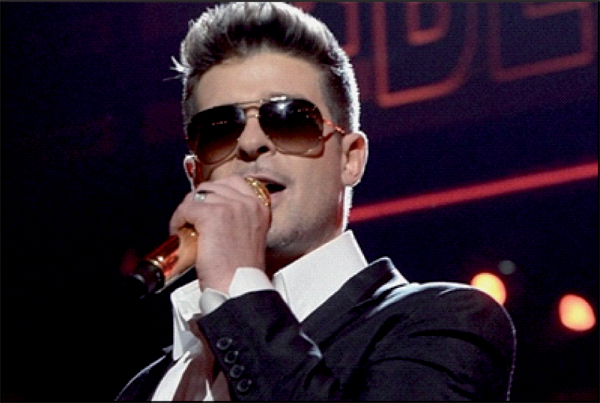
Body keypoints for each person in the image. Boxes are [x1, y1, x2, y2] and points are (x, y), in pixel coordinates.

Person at [116, 2, 516, 401]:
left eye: (289, 120)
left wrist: (236, 286)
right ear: (195, 174)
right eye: (220, 130)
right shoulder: (147, 390)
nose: (251, 143)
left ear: (350, 158)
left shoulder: (442, 323)